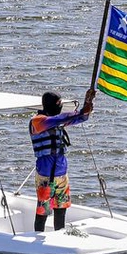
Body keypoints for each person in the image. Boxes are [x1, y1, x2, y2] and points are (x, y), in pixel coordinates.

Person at [29, 89, 95, 232]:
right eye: (58, 104)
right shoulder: (37, 121)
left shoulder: (58, 121)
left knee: (61, 209)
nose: (60, 107)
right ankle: (37, 239)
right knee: (43, 210)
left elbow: (82, 118)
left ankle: (59, 235)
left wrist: (88, 102)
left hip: (62, 174)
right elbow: (58, 119)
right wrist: (80, 111)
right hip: (46, 176)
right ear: (49, 105)